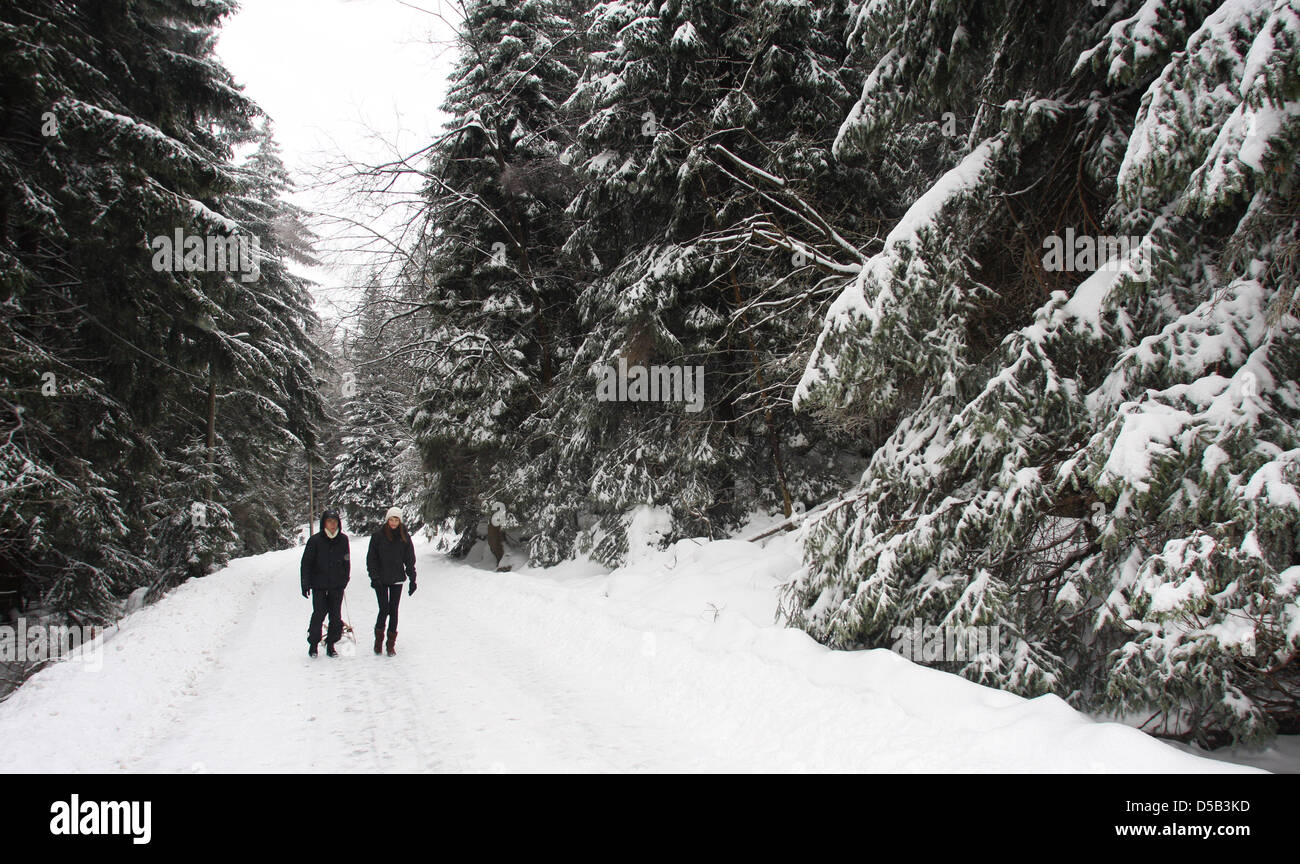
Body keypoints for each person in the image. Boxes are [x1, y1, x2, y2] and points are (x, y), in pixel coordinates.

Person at [366, 506, 416, 656]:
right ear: (387, 520)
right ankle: (378, 641)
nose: (393, 523)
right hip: (381, 579)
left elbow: (409, 559)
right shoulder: (378, 536)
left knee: (393, 610)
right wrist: (373, 576)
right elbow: (371, 559)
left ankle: (390, 644)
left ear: (400, 521)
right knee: (384, 609)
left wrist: (412, 579)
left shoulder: (404, 537)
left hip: (397, 579)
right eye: (391, 519)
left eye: (396, 520)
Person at [300, 509, 350, 657]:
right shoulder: (315, 540)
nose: (332, 525)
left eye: (335, 522)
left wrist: (344, 579)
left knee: (335, 617)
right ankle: (313, 644)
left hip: (336, 585)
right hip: (319, 585)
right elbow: (306, 563)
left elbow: (346, 561)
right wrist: (305, 584)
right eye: (329, 521)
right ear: (324, 523)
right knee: (318, 615)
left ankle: (331, 644)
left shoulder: (343, 539)